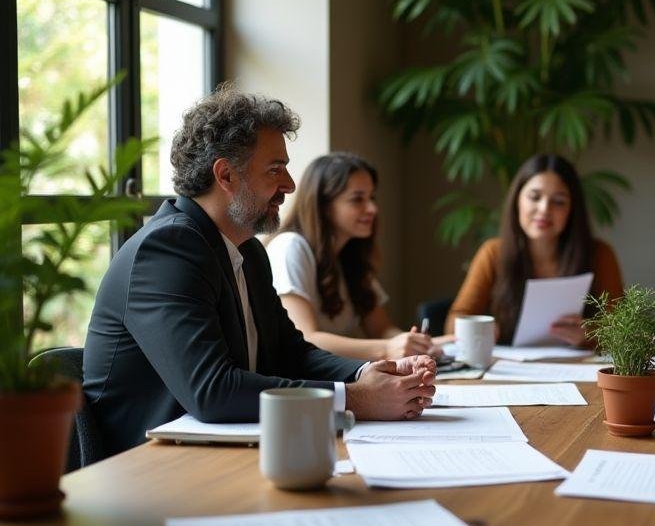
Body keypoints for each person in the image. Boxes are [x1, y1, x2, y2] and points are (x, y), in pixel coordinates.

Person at [84, 87, 435, 458]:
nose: (290, 185)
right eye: (274, 169)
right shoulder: (167, 249)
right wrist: (357, 399)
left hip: (219, 452)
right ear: (225, 175)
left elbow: (292, 354)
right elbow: (212, 391)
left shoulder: (248, 250)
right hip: (147, 468)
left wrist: (370, 373)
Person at [267, 152, 438, 361]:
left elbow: (382, 330)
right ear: (323, 205)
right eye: (358, 199)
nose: (373, 209)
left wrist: (414, 343)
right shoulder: (290, 247)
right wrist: (387, 349)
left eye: (371, 197)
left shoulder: (349, 257)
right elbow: (306, 338)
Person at [445, 154, 624, 346]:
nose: (544, 209)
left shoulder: (600, 254)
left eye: (559, 201)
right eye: (534, 197)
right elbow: (454, 323)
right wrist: (484, 328)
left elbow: (624, 327)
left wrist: (589, 333)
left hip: (580, 370)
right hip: (509, 370)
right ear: (517, 200)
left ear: (572, 209)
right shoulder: (493, 253)